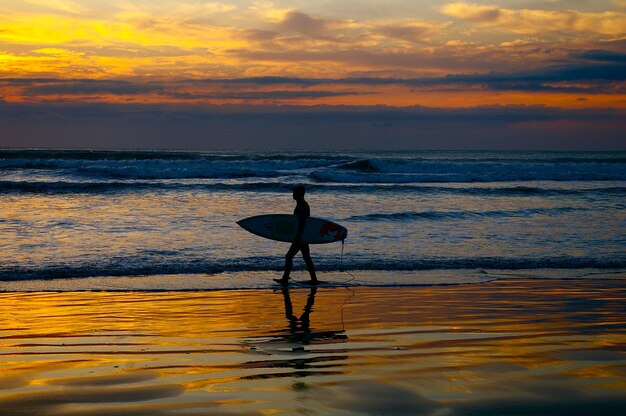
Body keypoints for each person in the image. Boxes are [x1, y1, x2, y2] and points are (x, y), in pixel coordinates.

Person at [274, 186, 318, 285]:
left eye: (294, 193)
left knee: (289, 256)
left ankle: (285, 278)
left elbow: (302, 223)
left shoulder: (302, 206)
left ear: (299, 194)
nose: (293, 194)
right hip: (303, 236)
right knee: (306, 257)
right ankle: (314, 279)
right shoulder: (302, 204)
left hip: (300, 237)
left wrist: (298, 237)